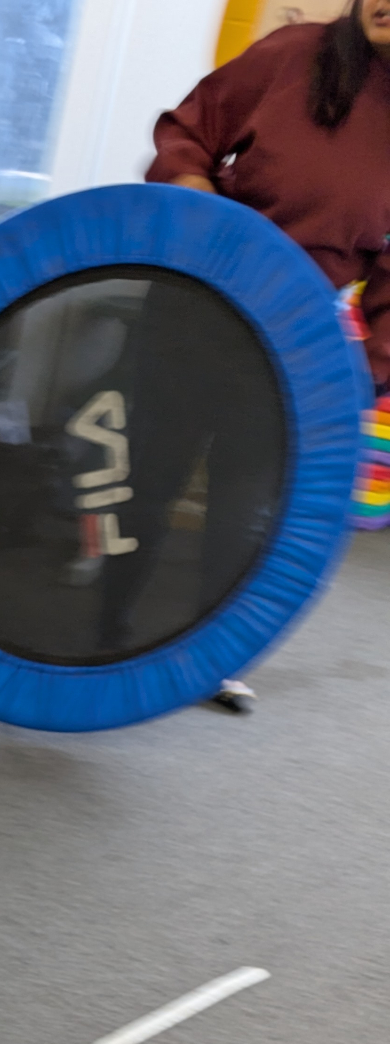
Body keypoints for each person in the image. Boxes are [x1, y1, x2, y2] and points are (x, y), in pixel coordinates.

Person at [147, 0, 390, 711]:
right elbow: (187, 130)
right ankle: (95, 640)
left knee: (241, 509)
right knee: (144, 476)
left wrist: (357, 380)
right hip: (194, 303)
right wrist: (193, 196)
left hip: (290, 344)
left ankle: (208, 660)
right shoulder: (291, 56)